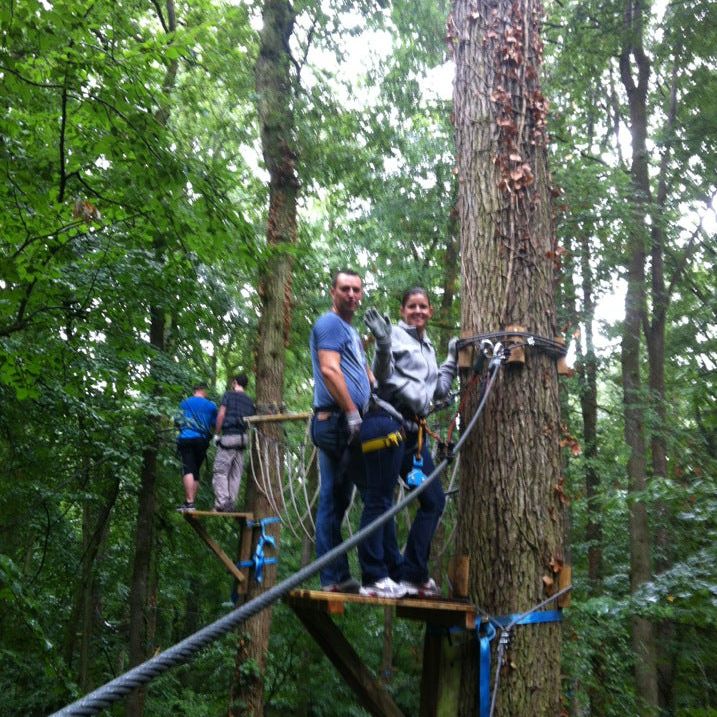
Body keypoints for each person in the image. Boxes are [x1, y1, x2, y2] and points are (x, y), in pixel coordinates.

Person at [362, 287, 458, 597]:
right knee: (381, 499)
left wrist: (452, 360)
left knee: (433, 500)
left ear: (430, 312)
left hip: (412, 433)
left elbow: (439, 391)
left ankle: (412, 572)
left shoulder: (428, 347)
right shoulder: (395, 337)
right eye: (412, 307)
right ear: (403, 311)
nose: (417, 311)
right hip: (387, 421)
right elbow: (380, 375)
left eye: (423, 307)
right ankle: (373, 575)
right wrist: (382, 342)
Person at [310, 269, 373, 593]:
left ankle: (338, 574)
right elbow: (329, 369)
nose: (351, 295)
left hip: (345, 422)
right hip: (336, 422)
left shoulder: (349, 330)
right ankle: (333, 577)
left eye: (356, 290)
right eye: (345, 289)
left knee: (340, 500)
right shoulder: (331, 324)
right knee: (337, 500)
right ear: (332, 291)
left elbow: (366, 377)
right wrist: (351, 412)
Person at [212, 373, 256, 512]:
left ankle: (222, 503)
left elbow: (221, 414)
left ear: (235, 382)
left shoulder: (228, 395)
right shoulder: (250, 401)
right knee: (235, 473)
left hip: (229, 437)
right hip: (243, 439)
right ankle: (230, 503)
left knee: (220, 471)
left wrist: (217, 433)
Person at [176, 383, 218, 512]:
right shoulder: (211, 406)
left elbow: (177, 421)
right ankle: (191, 502)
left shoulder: (184, 403)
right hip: (202, 440)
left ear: (194, 390)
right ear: (203, 390)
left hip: (186, 438)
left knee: (188, 468)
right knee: (195, 471)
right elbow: (215, 424)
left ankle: (190, 503)